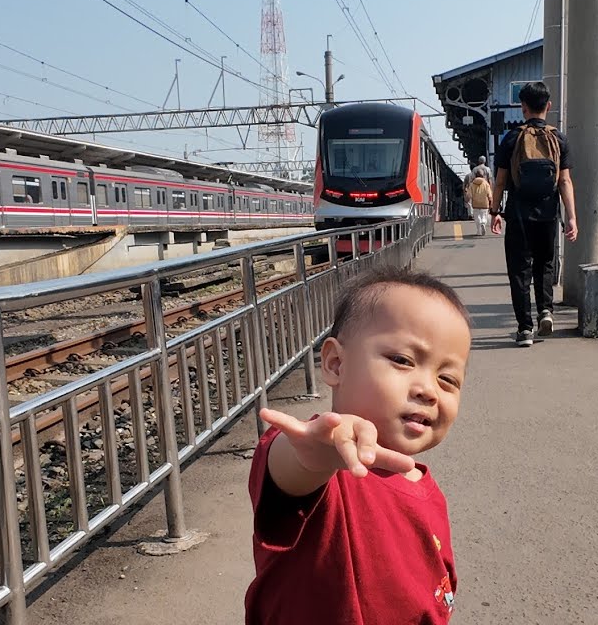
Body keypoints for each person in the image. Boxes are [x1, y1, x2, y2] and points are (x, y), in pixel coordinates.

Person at [245, 268, 471, 624]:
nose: (428, 389)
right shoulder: (320, 459)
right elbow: (291, 472)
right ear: (336, 363)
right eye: (402, 360)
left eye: (448, 379)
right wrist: (316, 456)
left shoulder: (424, 486)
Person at [489, 81, 577, 347]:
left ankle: (525, 329)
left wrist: (495, 211)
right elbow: (565, 182)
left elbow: (501, 181)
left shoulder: (512, 138)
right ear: (548, 106)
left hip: (518, 214)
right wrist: (571, 217)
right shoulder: (559, 138)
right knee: (545, 265)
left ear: (522, 107)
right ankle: (545, 312)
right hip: (548, 214)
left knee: (519, 271)